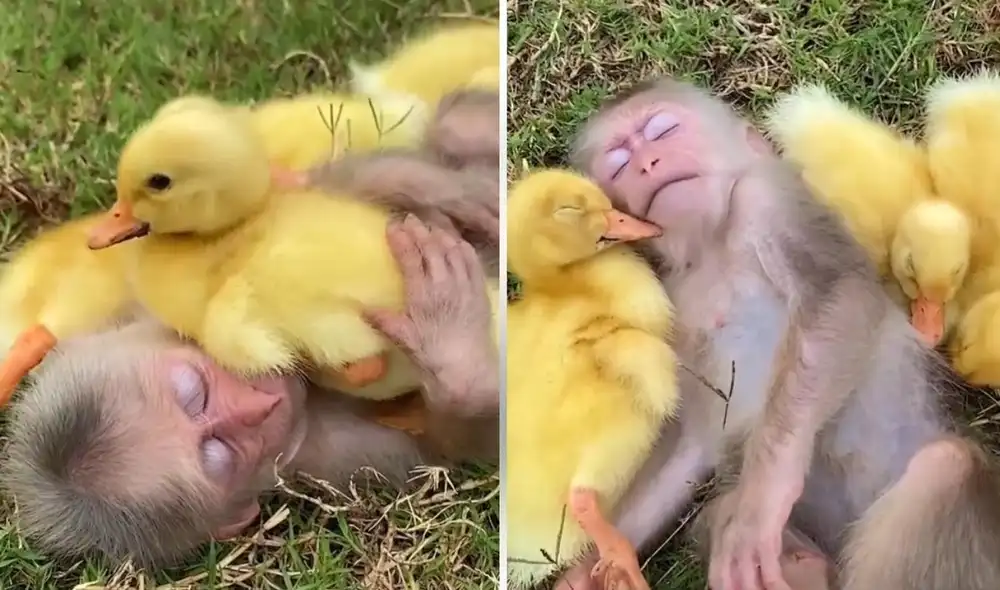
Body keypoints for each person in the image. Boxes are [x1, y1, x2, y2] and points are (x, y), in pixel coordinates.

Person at [3, 213, 499, 569]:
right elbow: (454, 447)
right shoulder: (331, 454)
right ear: (235, 516)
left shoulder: (181, 264)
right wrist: (461, 389)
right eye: (219, 457)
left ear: (120, 334)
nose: (259, 403)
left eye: (191, 388)